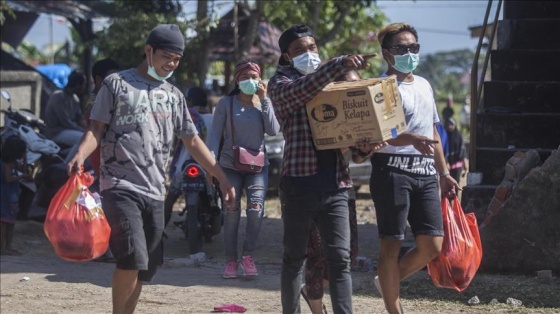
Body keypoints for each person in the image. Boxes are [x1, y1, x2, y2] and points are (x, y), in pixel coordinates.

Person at [66, 24, 235, 314]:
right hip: (118, 185)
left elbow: (192, 140)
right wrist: (80, 154)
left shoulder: (174, 95)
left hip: (156, 189)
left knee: (147, 268)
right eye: (166, 56)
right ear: (148, 51)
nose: (171, 64)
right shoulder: (116, 84)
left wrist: (221, 177)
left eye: (176, 59)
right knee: (131, 258)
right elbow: (96, 128)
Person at [267, 23, 376, 314]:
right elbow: (304, 89)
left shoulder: (334, 85)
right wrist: (338, 63)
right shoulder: (280, 84)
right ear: (287, 57)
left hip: (337, 185)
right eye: (299, 50)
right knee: (294, 258)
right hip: (298, 185)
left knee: (340, 259)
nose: (308, 53)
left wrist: (364, 147)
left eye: (312, 47)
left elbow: (353, 146)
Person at [356, 22, 461, 314]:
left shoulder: (425, 85)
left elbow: (434, 133)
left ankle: (387, 282)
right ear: (387, 53)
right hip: (391, 170)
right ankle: (395, 308)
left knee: (432, 246)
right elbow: (377, 133)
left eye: (413, 47)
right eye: (401, 48)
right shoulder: (380, 87)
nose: (409, 53)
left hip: (426, 173)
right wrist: (409, 139)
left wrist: (444, 173)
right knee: (391, 244)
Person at [207, 60, 280, 278]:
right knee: (231, 211)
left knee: (256, 209)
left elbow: (274, 130)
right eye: (245, 76)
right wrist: (211, 166)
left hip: (258, 166)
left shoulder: (263, 104)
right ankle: (231, 261)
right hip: (230, 165)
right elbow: (214, 136)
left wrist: (265, 99)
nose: (250, 81)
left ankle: (248, 256)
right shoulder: (226, 104)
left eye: (254, 76)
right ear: (237, 80)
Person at [300, 69, 362, 314]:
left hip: (344, 189)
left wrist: (367, 146)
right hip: (314, 188)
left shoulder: (360, 116)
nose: (352, 90)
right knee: (317, 254)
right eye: (347, 85)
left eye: (357, 86)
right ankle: (316, 307)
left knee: (349, 252)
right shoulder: (320, 110)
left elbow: (357, 155)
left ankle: (310, 290)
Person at [0, 137, 32, 255]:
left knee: (10, 223)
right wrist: (22, 177)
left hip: (12, 197)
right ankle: (2, 248)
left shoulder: (12, 163)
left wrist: (25, 159)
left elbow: (23, 169)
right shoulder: (6, 164)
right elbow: (9, 179)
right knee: (4, 223)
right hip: (5, 197)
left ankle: (8, 246)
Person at [44, 70, 87, 147]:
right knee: (84, 139)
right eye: (83, 84)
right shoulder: (59, 96)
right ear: (77, 85)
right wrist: (83, 131)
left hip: (68, 130)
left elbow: (80, 119)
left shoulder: (75, 98)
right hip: (56, 133)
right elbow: (66, 122)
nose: (84, 87)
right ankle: (69, 159)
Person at [444, 117, 468, 183]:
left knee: (456, 182)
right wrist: (445, 162)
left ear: (455, 125)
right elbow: (444, 150)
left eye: (451, 124)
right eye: (448, 124)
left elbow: (463, 149)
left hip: (458, 164)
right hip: (448, 165)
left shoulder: (459, 136)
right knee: (448, 184)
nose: (450, 126)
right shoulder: (445, 136)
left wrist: (465, 165)